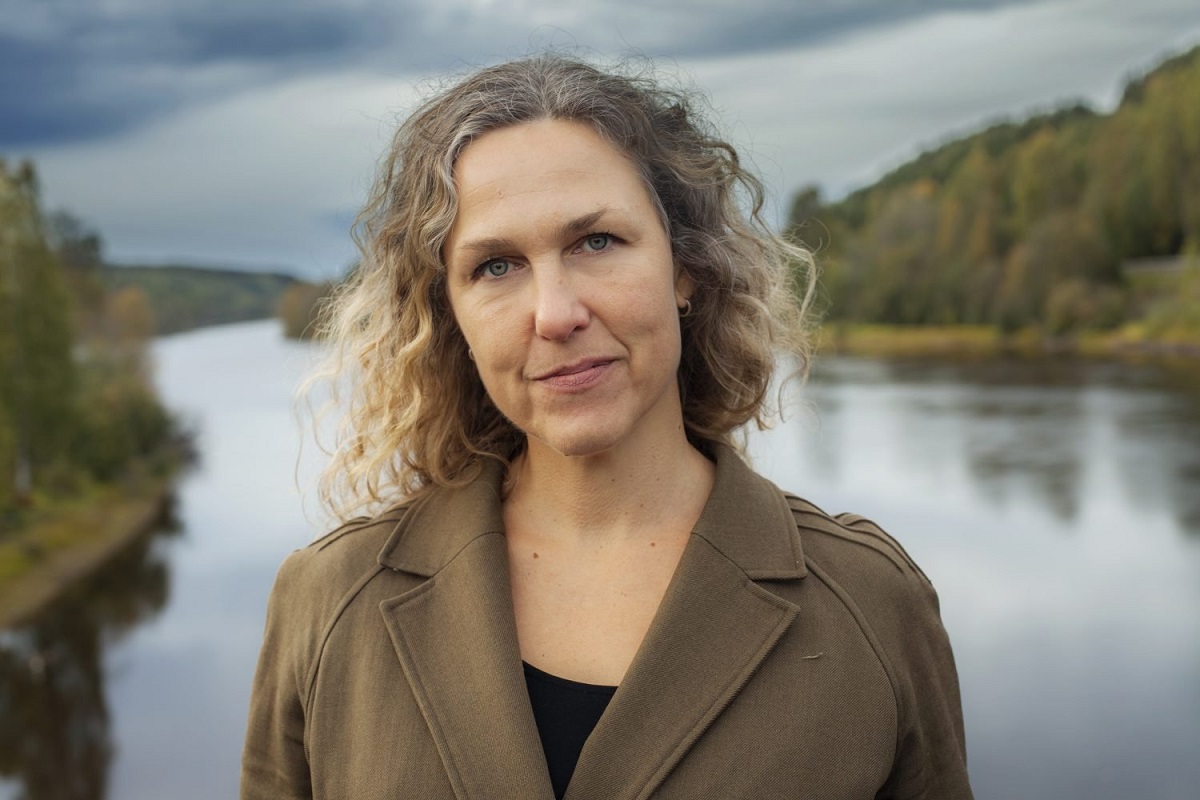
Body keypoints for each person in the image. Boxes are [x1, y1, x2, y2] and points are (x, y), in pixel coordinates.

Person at [240, 54, 973, 800]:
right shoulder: (330, 603)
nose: (555, 314)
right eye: (496, 266)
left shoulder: (869, 604)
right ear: (450, 316)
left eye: (596, 242)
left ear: (685, 266)